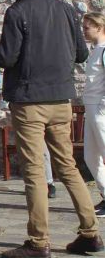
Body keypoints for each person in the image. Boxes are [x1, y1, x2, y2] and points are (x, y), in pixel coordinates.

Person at [0, 0, 102, 258]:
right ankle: (90, 233)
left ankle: (39, 243)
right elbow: (79, 54)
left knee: (36, 171)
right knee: (69, 166)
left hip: (29, 102)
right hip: (61, 100)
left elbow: (9, 57)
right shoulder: (65, 10)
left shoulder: (17, 11)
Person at [82, 12, 105, 216]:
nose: (84, 30)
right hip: (90, 109)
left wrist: (102, 108)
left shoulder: (104, 51)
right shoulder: (94, 51)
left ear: (99, 27)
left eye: (88, 27)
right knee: (90, 157)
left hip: (100, 110)